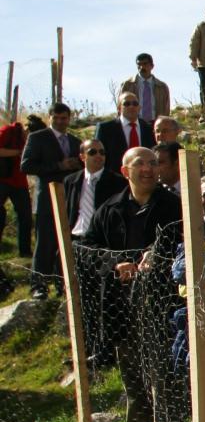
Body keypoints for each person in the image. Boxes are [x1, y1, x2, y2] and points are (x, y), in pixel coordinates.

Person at [85, 147, 185, 422]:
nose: (148, 169)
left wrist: (159, 260)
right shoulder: (109, 208)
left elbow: (189, 242)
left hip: (161, 307)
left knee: (163, 378)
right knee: (133, 379)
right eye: (139, 163)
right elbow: (87, 249)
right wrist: (116, 263)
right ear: (125, 170)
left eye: (153, 163)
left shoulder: (173, 206)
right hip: (121, 309)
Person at [66, 138, 128, 365]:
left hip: (102, 246)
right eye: (93, 152)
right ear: (82, 156)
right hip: (76, 240)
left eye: (102, 152)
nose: (98, 156)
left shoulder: (116, 182)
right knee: (81, 297)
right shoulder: (71, 181)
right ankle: (86, 349)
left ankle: (105, 351)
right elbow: (67, 212)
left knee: (101, 298)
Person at [20, 102, 81, 298]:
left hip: (69, 199)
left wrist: (75, 164)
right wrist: (58, 165)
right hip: (46, 198)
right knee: (44, 243)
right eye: (57, 118)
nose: (61, 122)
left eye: (64, 118)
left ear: (69, 119)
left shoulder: (74, 140)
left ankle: (62, 283)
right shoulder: (38, 138)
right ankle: (39, 285)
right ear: (50, 118)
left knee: (65, 243)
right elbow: (26, 165)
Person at [94, 91, 156, 179]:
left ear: (139, 107)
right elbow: (98, 156)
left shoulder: (148, 128)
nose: (131, 106)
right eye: (126, 104)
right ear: (119, 108)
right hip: (114, 181)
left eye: (135, 104)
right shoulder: (105, 129)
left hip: (144, 179)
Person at [0, 116, 31, 268]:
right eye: (28, 133)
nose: (28, 136)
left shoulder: (35, 140)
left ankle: (24, 252)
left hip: (20, 182)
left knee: (25, 216)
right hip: (3, 180)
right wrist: (19, 152)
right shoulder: (8, 131)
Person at [120, 53, 170, 121]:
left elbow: (166, 110)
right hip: (134, 124)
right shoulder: (128, 85)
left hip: (155, 125)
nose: (141, 67)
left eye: (145, 64)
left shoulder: (162, 87)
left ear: (152, 66)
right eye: (139, 65)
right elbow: (120, 106)